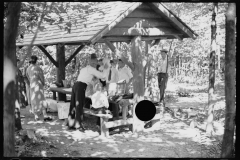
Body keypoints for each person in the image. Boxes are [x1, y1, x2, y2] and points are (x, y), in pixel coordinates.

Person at [67, 53, 108, 132]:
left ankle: (71, 124)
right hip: (80, 86)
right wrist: (105, 69)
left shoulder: (84, 69)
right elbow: (102, 76)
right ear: (92, 62)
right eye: (95, 62)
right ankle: (78, 126)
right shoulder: (91, 69)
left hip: (76, 85)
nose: (95, 63)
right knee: (79, 105)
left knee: (73, 105)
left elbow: (92, 80)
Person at [26, 55, 52, 121]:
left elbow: (27, 77)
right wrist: (43, 83)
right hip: (38, 84)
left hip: (32, 85)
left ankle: (36, 115)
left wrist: (31, 82)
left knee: (33, 99)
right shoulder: (38, 68)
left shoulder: (28, 69)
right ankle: (45, 115)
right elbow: (41, 77)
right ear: (36, 61)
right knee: (41, 99)